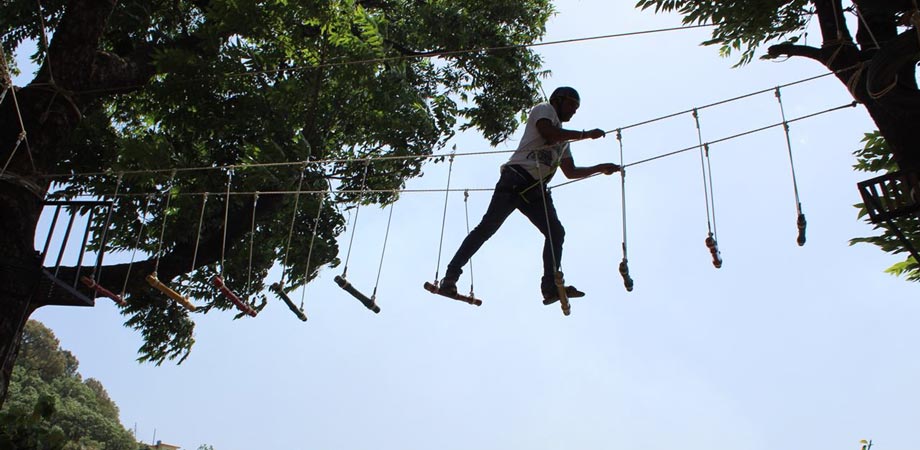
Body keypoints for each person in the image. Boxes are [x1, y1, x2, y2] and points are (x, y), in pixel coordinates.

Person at [438, 86, 620, 303]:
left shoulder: (564, 142)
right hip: (515, 179)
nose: (573, 111)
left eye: (576, 108)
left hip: (535, 189)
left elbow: (570, 172)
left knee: (556, 232)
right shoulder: (545, 110)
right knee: (487, 228)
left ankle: (550, 286)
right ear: (558, 100)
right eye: (571, 105)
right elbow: (548, 133)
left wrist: (600, 167)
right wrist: (585, 135)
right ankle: (450, 277)